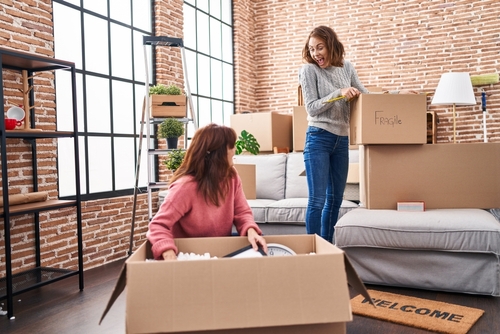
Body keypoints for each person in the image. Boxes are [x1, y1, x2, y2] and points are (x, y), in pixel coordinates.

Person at [299, 26, 416, 243]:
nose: (315, 54)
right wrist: (339, 93)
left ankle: (326, 248)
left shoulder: (347, 68)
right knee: (317, 200)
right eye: (312, 49)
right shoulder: (309, 71)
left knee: (335, 200)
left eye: (320, 47)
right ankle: (310, 251)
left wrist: (399, 94)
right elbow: (311, 108)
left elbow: (367, 97)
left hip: (341, 140)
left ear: (331, 45)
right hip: (318, 138)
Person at [147, 123, 268, 260]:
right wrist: (169, 255)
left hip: (219, 251)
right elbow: (158, 225)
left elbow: (242, 212)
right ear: (219, 153)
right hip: (190, 256)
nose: (235, 150)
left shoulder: (231, 176)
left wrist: (250, 230)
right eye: (232, 146)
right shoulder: (185, 187)